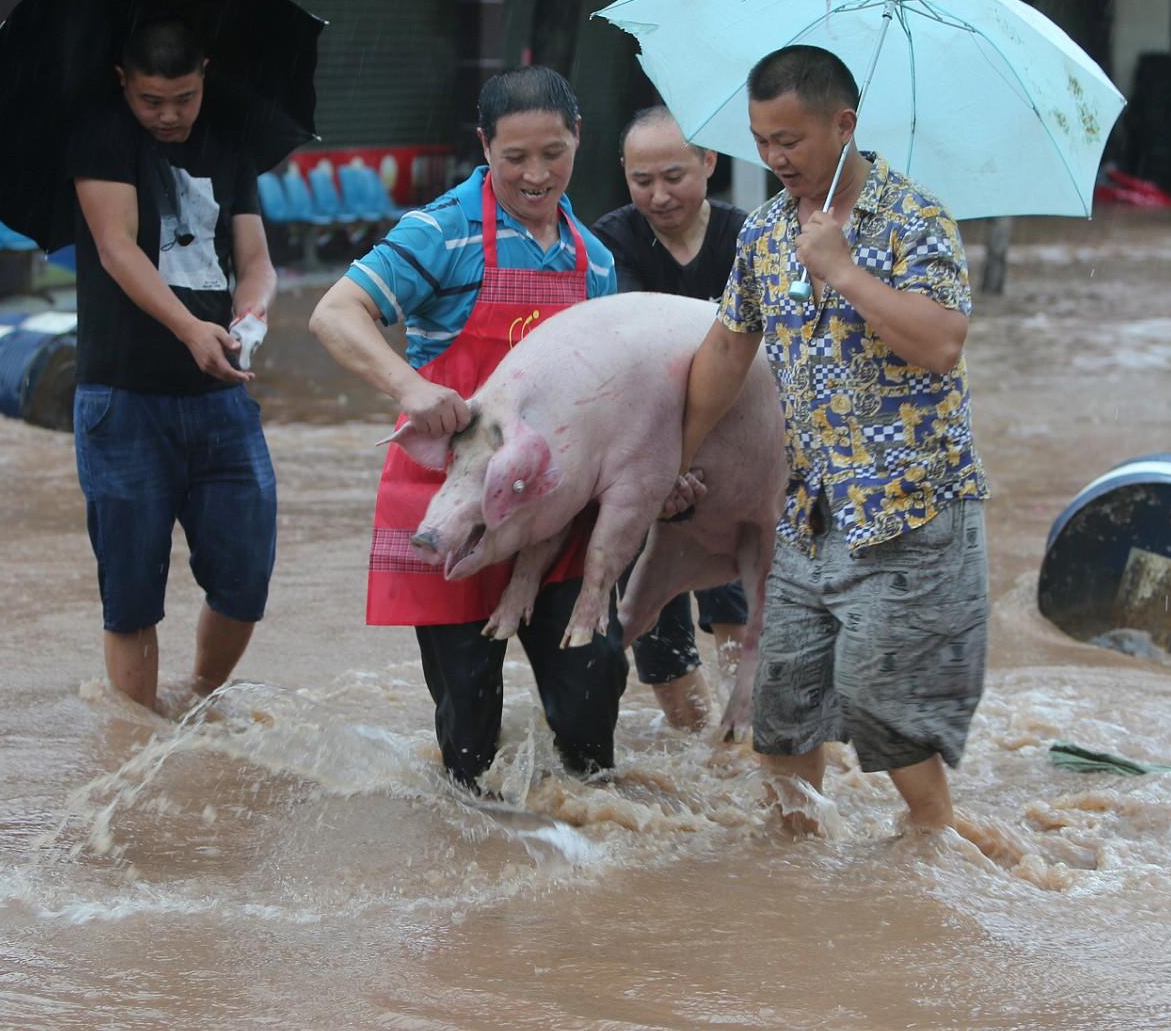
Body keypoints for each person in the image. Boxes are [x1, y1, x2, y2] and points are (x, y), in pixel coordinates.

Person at [666, 45, 992, 842]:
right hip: (813, 512)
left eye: (791, 140)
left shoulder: (915, 219)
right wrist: (671, 457)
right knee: (781, 706)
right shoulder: (768, 233)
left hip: (911, 514)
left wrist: (844, 271)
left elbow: (943, 343)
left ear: (844, 125)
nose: (776, 159)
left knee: (887, 711)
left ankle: (939, 852)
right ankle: (798, 886)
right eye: (762, 140)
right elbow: (724, 353)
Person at [309, 66, 627, 794]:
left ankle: (590, 860)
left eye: (553, 152)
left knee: (589, 700)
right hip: (452, 503)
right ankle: (480, 866)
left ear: (579, 139)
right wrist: (411, 385)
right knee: (469, 722)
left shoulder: (597, 261)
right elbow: (335, 313)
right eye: (515, 157)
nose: (536, 174)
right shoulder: (440, 232)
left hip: (559, 513)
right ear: (484, 147)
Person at [68, 17, 278, 714]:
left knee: (246, 577)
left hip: (221, 398)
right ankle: (134, 750)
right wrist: (191, 328)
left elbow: (254, 261)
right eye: (151, 100)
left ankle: (198, 703)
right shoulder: (102, 134)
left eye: (183, 98)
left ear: (205, 76)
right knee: (131, 594)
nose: (168, 115)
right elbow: (115, 248)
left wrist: (248, 317)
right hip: (123, 399)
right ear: (124, 82)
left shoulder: (229, 137)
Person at [591, 107, 751, 734]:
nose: (659, 196)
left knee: (737, 609)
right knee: (653, 623)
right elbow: (637, 340)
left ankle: (741, 746)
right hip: (643, 458)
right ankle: (693, 752)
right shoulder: (611, 240)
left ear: (710, 164)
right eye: (642, 180)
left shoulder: (751, 237)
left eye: (675, 176)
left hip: (733, 458)